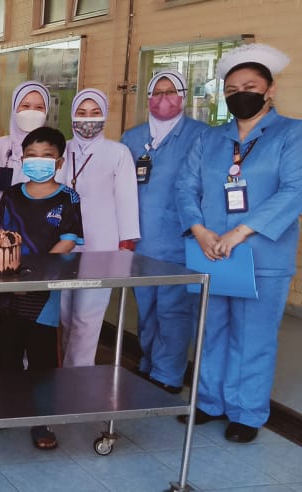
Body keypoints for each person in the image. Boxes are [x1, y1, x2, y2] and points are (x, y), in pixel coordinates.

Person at [175, 43, 302, 443]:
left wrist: (241, 231)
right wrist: (199, 229)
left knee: (254, 335)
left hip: (261, 254)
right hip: (212, 251)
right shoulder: (211, 139)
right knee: (211, 328)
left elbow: (294, 190)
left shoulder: (292, 133)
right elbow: (185, 186)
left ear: (270, 89)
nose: (239, 94)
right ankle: (210, 401)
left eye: (249, 86)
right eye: (231, 89)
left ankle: (247, 411)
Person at [0, 126, 83, 450]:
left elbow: (70, 240)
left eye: (47, 156)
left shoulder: (68, 197)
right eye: (31, 156)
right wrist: (14, 275)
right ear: (21, 159)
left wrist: (39, 273)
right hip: (10, 286)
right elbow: (1, 238)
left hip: (45, 291)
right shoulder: (12, 195)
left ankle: (41, 421)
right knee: (6, 354)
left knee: (43, 358)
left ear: (59, 162)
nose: (38, 161)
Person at [122, 70, 208, 393]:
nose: (163, 97)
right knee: (146, 309)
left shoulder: (200, 135)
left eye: (171, 91)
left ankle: (168, 374)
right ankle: (148, 362)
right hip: (140, 241)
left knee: (173, 309)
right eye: (156, 92)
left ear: (183, 97)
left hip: (179, 241)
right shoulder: (132, 138)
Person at [57, 89, 139, 368]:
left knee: (86, 318)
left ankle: (77, 379)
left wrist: (126, 246)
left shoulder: (118, 152)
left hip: (101, 246)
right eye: (81, 113)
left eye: (95, 113)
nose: (88, 120)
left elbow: (127, 199)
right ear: (71, 116)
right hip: (63, 245)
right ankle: (64, 371)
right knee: (65, 314)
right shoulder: (61, 150)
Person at [0, 81, 51, 201]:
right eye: (25, 106)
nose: (32, 112)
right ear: (14, 108)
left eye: (39, 108)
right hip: (1, 216)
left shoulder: (54, 150)